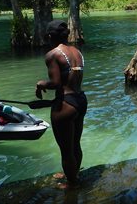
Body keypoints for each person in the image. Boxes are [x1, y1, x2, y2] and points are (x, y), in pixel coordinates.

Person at [36, 20, 87, 189]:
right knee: (75, 144)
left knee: (66, 150)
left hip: (65, 104)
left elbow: (56, 83)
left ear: (50, 36)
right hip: (80, 100)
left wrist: (41, 84)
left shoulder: (52, 55)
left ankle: (71, 184)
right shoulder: (77, 51)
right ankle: (73, 173)